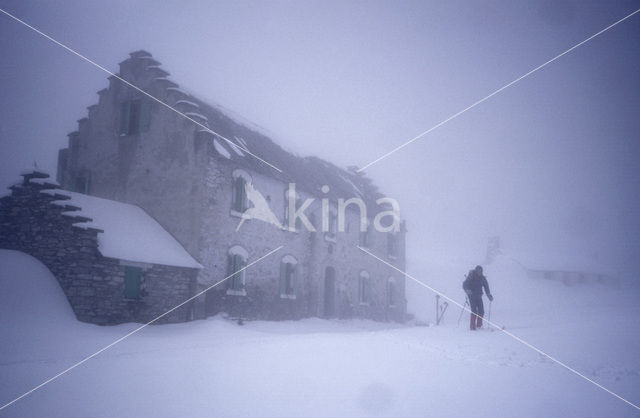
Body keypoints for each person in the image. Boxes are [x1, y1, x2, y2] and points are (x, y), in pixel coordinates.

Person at [462, 265, 493, 330]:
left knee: (481, 311)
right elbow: (464, 284)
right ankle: (472, 327)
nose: (479, 272)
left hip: (479, 296)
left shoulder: (482, 278)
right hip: (472, 297)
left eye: (481, 271)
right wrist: (467, 291)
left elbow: (486, 287)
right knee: (474, 311)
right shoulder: (471, 276)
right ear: (476, 271)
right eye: (478, 271)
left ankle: (479, 325)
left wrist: (489, 295)